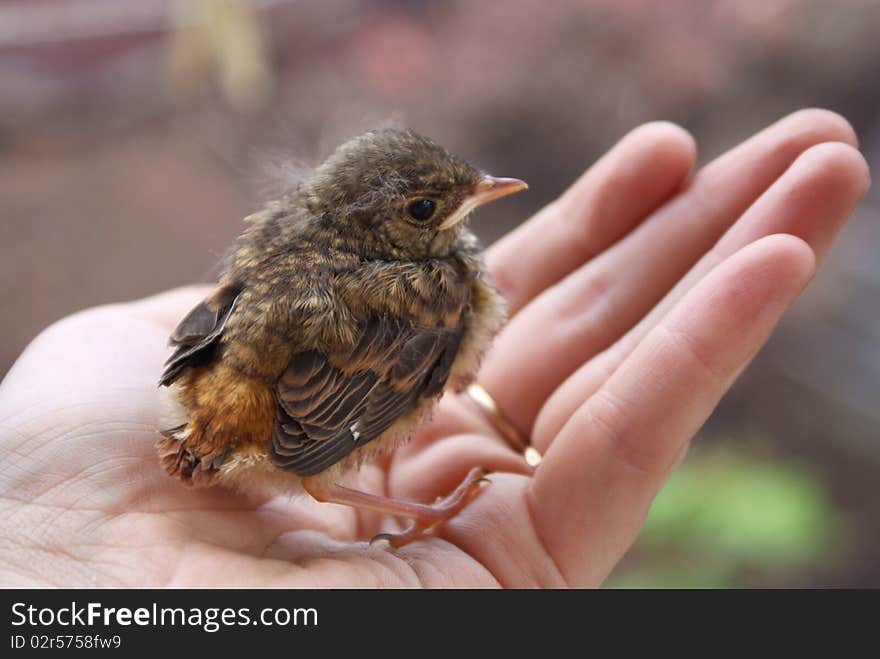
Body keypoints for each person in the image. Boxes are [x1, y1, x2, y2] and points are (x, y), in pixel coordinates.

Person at [0, 109, 869, 587]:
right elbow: (312, 445)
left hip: (208, 368)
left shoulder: (288, 232)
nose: (473, 200)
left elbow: (224, 314)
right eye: (429, 209)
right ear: (392, 225)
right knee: (313, 453)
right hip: (284, 423)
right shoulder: (431, 288)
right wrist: (425, 513)